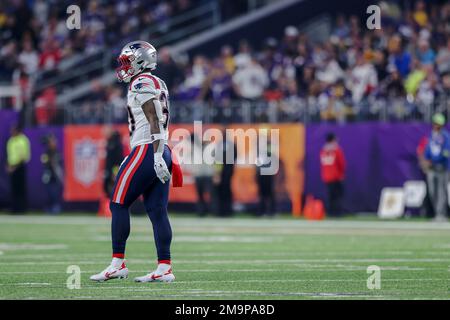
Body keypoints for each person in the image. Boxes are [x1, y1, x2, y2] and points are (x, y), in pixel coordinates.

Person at [91, 41, 183, 283]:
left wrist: (152, 155)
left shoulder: (140, 82)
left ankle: (118, 263)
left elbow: (153, 118)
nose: (123, 67)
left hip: (148, 148)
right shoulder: (158, 82)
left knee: (118, 203)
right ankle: (164, 266)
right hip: (159, 149)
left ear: (140, 61)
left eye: (127, 62)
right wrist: (159, 154)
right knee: (157, 210)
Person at [424, 113, 450, 221]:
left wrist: (436, 160)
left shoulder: (445, 136)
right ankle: (436, 213)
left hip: (442, 167)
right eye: (434, 123)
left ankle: (441, 214)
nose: (435, 125)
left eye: (437, 123)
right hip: (431, 168)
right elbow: (428, 149)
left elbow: (446, 153)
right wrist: (427, 159)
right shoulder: (432, 135)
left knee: (441, 191)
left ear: (441, 124)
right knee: (432, 190)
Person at [320, 133, 346, 217]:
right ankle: (337, 212)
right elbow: (341, 163)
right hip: (335, 176)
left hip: (326, 176)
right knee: (337, 196)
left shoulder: (323, 150)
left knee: (330, 196)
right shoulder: (336, 150)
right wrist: (341, 174)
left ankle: (330, 212)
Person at [6, 125, 30, 214]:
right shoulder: (11, 140)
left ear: (17, 131)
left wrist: (14, 167)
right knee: (14, 188)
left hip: (20, 167)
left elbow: (23, 156)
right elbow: (10, 154)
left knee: (20, 188)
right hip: (12, 166)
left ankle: (22, 209)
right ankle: (15, 208)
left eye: (13, 130)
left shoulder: (23, 140)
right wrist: (8, 165)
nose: (11, 132)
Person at [40, 133, 63, 215]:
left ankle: (56, 208)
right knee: (48, 193)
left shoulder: (56, 152)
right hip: (48, 175)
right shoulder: (47, 152)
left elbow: (58, 163)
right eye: (51, 142)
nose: (53, 143)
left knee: (55, 193)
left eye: (53, 141)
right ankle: (48, 208)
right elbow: (44, 161)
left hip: (55, 176)